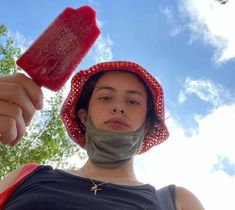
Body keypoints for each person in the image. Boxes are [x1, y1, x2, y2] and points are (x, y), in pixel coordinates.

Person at [0, 61, 205, 209]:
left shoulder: (176, 202)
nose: (118, 107)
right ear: (83, 116)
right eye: (105, 98)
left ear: (147, 125)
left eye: (133, 101)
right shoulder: (27, 177)